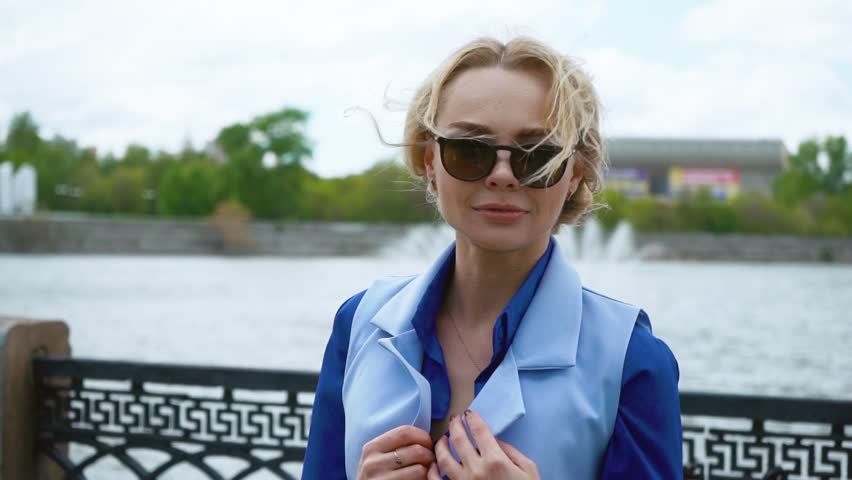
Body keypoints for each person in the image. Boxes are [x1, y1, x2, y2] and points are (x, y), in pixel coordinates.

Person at [302, 36, 682, 480]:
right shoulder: (359, 324)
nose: (502, 176)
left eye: (537, 155)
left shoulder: (631, 358)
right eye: (469, 150)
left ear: (575, 173)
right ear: (429, 160)